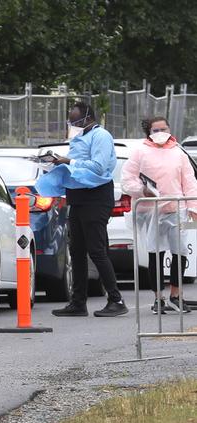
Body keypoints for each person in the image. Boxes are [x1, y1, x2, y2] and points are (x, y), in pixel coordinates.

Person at [36, 101, 128, 317]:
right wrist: (57, 163)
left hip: (95, 196)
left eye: (75, 121)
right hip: (77, 195)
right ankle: (78, 302)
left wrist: (69, 161)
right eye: (70, 121)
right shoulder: (79, 137)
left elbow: (98, 166)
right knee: (76, 250)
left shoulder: (100, 136)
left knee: (96, 250)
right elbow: (77, 165)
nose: (72, 125)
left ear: (87, 118)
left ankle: (116, 299)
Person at [121, 116, 197, 313]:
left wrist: (193, 207)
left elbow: (189, 182)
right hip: (150, 210)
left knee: (179, 252)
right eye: (156, 130)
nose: (161, 132)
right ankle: (158, 298)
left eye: (164, 128)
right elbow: (127, 180)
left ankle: (176, 294)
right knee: (155, 254)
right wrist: (141, 190)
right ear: (149, 133)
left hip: (176, 208)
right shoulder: (140, 152)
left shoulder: (179, 152)